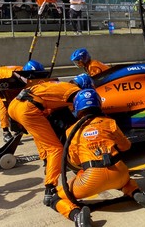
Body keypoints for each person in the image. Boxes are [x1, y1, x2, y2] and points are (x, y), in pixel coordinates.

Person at [49, 89, 145, 226]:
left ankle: (77, 216)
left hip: (91, 178)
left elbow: (75, 161)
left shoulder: (71, 131)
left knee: (55, 198)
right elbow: (126, 146)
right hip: (118, 172)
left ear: (77, 107)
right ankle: (136, 193)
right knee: (125, 182)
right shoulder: (109, 122)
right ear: (98, 104)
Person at [7, 75, 90, 207]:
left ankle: (47, 162)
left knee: (41, 135)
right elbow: (85, 109)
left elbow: (52, 106)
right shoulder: (75, 92)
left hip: (15, 105)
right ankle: (50, 187)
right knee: (55, 148)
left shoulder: (60, 85)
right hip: (28, 110)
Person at [0, 61, 41, 143]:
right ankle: (5, 132)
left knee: (16, 101)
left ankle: (17, 125)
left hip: (5, 81)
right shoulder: (13, 75)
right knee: (4, 102)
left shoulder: (23, 72)